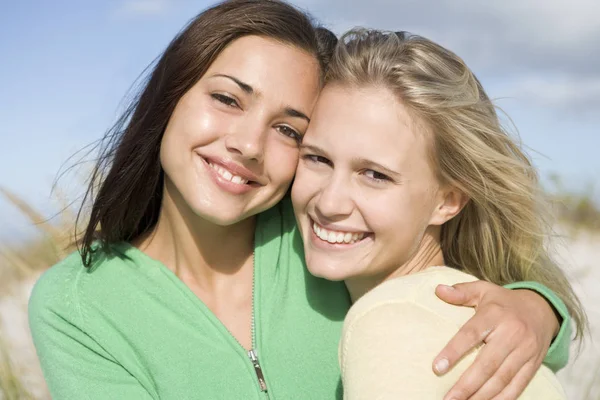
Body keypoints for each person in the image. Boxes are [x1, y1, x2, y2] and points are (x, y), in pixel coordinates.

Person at [28, 1, 570, 399]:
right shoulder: (77, 305)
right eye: (225, 99)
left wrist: (537, 307)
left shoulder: (326, 241)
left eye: (289, 130)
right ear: (171, 95)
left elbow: (446, 291)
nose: (246, 144)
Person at [291, 28, 586, 399]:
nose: (329, 203)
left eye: (374, 175)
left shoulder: (389, 326)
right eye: (318, 158)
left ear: (448, 201)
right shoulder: (448, 314)